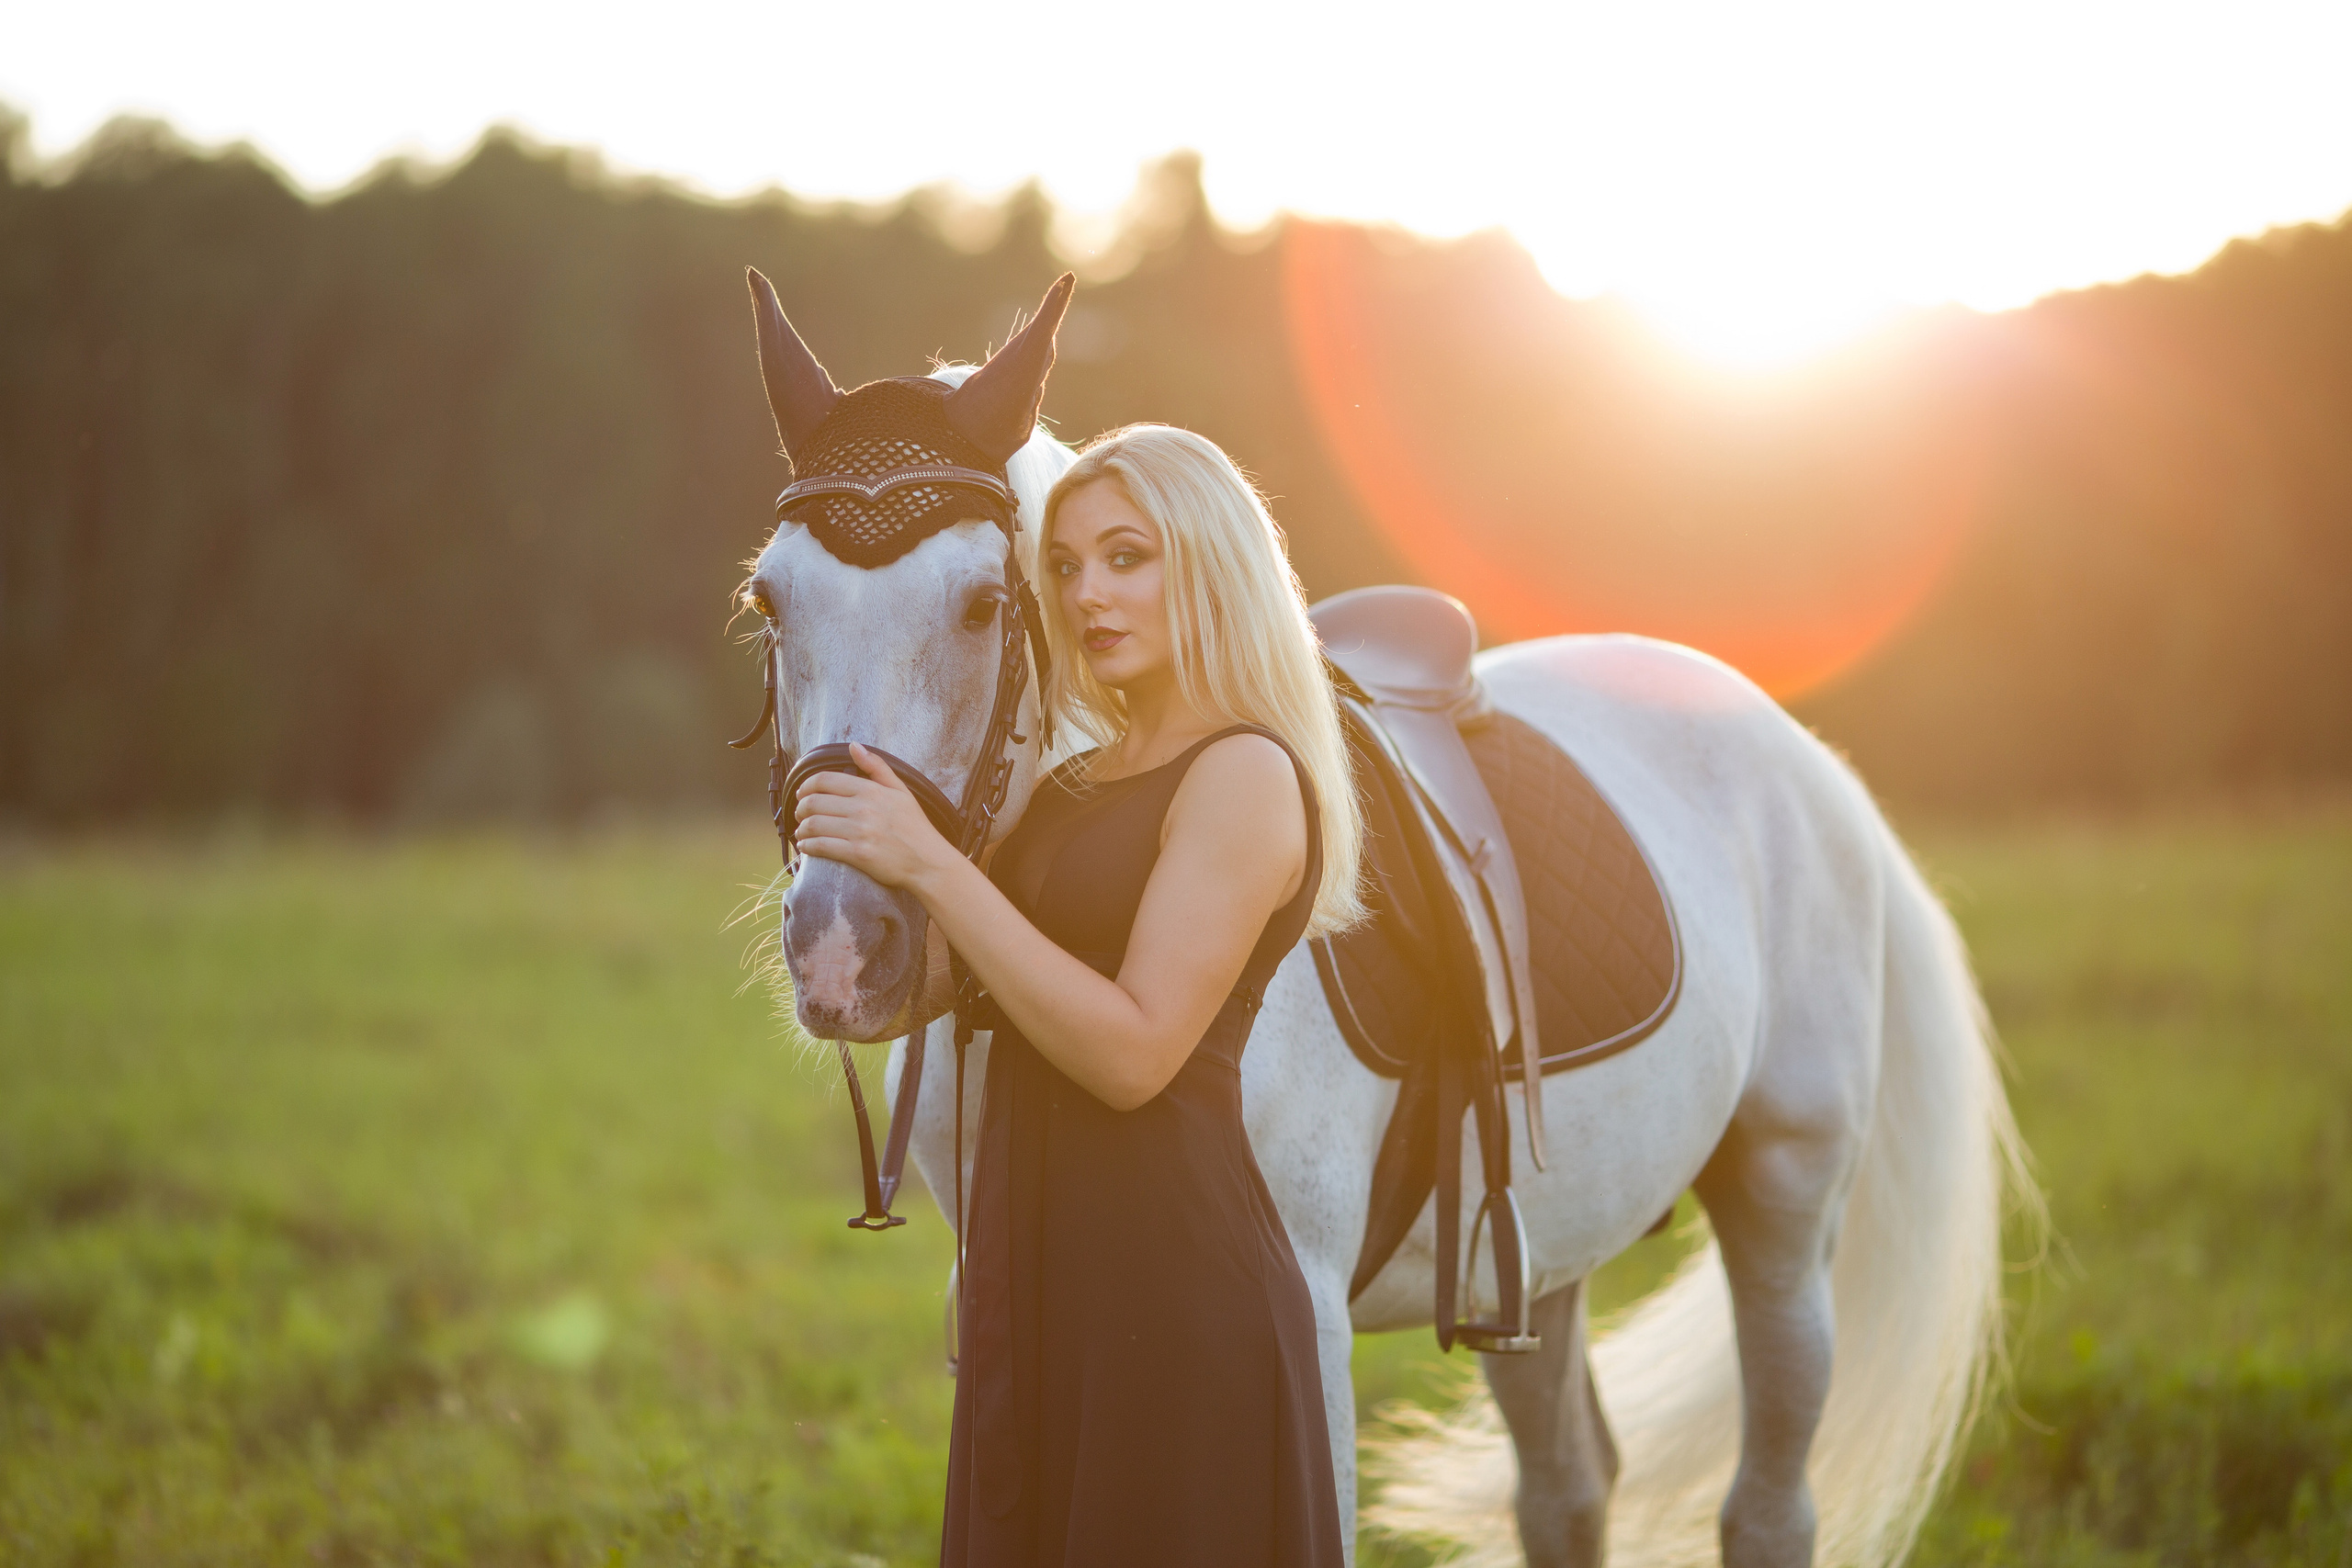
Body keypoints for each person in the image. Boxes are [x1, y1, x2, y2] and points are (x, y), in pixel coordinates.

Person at [791, 423, 1365, 1567]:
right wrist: (847, 885)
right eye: (1062, 566)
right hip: (1043, 1281)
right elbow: (984, 975)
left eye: (1126, 557)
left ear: (1210, 564)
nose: (1086, 593)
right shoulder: (1073, 783)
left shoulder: (1245, 775)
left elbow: (1134, 1055)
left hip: (1173, 1294)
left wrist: (930, 863)